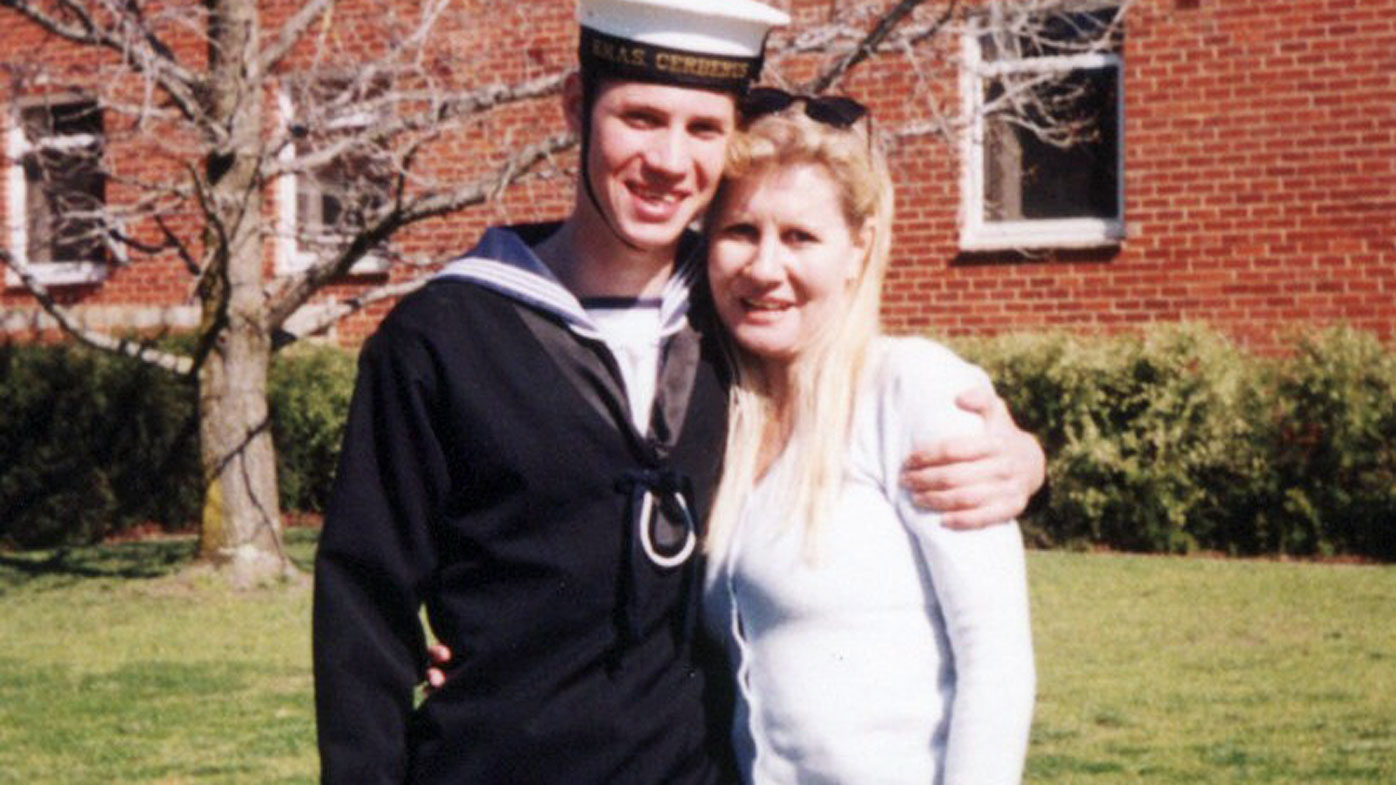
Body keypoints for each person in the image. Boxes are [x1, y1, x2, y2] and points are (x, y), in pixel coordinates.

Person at [313, 1, 1044, 782]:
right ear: (575, 109)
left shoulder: (729, 318)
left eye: (702, 129)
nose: (668, 159)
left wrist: (1027, 458)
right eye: (639, 116)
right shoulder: (446, 337)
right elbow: (365, 611)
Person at [700, 92, 1036, 784]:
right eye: (740, 231)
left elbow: (996, 662)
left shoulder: (913, 389)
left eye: (800, 237)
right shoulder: (714, 412)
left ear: (859, 248)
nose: (764, 268)